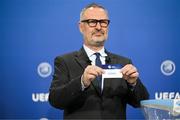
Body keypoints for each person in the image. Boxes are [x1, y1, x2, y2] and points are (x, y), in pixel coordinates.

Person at [49, 3, 149, 120]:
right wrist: (82, 82)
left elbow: (141, 102)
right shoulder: (65, 61)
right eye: (92, 22)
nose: (98, 27)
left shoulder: (124, 62)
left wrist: (133, 84)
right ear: (81, 27)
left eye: (103, 22)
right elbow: (55, 100)